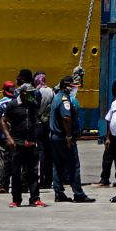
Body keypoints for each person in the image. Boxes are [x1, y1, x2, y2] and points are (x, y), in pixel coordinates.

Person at [46, 74, 93, 203]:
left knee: (58, 165)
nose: (73, 88)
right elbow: (66, 118)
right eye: (71, 86)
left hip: (55, 137)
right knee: (73, 166)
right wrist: (69, 136)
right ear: (65, 87)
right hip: (63, 138)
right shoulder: (64, 100)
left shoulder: (57, 97)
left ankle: (59, 192)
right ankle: (78, 193)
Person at [1, 84, 47, 208]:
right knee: (16, 172)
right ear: (22, 93)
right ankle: (16, 199)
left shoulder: (33, 104)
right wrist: (8, 137)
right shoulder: (13, 105)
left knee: (33, 172)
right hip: (17, 143)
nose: (32, 96)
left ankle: (35, 198)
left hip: (31, 143)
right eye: (29, 93)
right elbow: (3, 121)